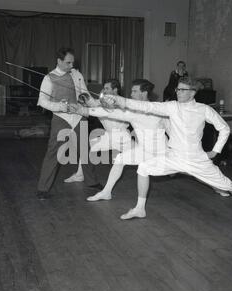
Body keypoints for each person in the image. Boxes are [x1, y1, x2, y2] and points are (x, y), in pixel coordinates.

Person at [101, 76, 232, 219]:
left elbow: (224, 128)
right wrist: (119, 100)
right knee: (143, 168)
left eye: (182, 90)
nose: (178, 92)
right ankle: (139, 209)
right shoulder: (171, 106)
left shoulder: (204, 109)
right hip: (174, 157)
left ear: (192, 92)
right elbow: (147, 106)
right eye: (177, 89)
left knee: (228, 185)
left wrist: (216, 151)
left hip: (197, 159)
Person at [69, 79, 169, 202]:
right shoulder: (128, 107)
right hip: (132, 144)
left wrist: (173, 149)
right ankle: (104, 191)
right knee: (120, 159)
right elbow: (101, 107)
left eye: (134, 91)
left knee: (178, 169)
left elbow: (169, 128)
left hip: (129, 140)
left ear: (144, 93)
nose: (131, 94)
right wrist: (84, 104)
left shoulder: (156, 109)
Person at [36, 47, 102, 200]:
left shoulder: (76, 74)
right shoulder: (48, 78)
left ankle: (91, 182)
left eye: (72, 62)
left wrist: (98, 104)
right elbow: (42, 102)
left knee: (85, 149)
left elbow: (84, 94)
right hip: (61, 118)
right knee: (54, 152)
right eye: (68, 63)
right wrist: (62, 106)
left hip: (79, 116)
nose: (71, 65)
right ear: (59, 61)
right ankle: (43, 189)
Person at [64, 79, 132, 183]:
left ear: (115, 90)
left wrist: (96, 105)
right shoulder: (103, 101)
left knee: (141, 157)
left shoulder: (122, 102)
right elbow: (92, 103)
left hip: (122, 137)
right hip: (109, 135)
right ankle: (79, 175)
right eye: (103, 88)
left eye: (107, 88)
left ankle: (163, 166)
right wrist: (84, 97)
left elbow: (105, 109)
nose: (104, 91)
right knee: (86, 148)